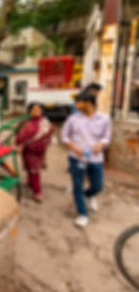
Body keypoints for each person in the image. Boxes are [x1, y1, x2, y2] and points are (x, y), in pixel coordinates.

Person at [61, 93, 112, 228]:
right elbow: (64, 136)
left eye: (78, 102)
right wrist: (73, 147)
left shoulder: (104, 119)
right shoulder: (73, 119)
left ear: (88, 103)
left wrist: (101, 144)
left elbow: (106, 137)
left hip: (95, 158)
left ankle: (87, 195)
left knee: (98, 186)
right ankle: (82, 214)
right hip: (76, 158)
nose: (75, 105)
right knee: (77, 185)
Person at [16, 103, 54, 202]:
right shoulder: (24, 122)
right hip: (29, 152)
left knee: (33, 170)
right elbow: (19, 136)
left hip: (41, 152)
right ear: (29, 111)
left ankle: (32, 184)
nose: (36, 111)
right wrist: (19, 145)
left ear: (41, 111)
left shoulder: (45, 122)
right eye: (33, 109)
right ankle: (37, 192)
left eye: (38, 109)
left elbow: (49, 134)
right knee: (33, 170)